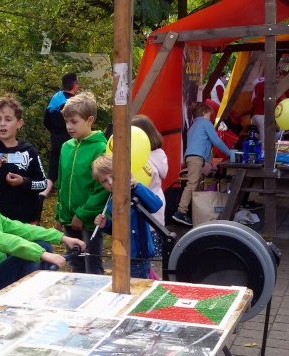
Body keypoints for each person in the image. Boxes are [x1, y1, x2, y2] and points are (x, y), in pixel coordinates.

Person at [0, 168, 86, 301]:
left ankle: (41, 294)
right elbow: (5, 241)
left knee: (42, 244)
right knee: (27, 256)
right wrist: (42, 254)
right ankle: (32, 298)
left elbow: (23, 229)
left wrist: (62, 237)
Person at [55, 92, 109, 274]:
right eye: (67, 122)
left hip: (89, 220)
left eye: (74, 121)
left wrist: (82, 214)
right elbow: (61, 181)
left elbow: (101, 188)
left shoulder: (100, 148)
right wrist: (59, 213)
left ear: (90, 120)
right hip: (69, 217)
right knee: (75, 263)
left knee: (92, 264)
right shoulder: (66, 147)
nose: (69, 127)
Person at [0, 95, 47, 224]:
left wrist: (24, 182)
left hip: (28, 221)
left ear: (19, 123)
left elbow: (42, 184)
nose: (2, 123)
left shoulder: (30, 151)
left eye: (8, 119)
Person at [92, 154, 163, 279]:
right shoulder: (111, 203)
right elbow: (119, 230)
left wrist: (137, 187)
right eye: (104, 181)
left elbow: (156, 204)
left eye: (112, 176)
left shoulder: (135, 194)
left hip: (139, 255)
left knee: (137, 286)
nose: (110, 183)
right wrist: (106, 225)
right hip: (121, 255)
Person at [173, 102, 232, 227]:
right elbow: (216, 140)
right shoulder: (206, 123)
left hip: (191, 157)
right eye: (210, 115)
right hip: (197, 158)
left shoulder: (193, 125)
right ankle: (181, 211)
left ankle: (196, 212)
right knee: (192, 183)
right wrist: (230, 153)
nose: (210, 117)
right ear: (204, 113)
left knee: (198, 185)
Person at [131, 115, 168, 258]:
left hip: (150, 203)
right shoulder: (160, 154)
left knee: (147, 248)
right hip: (153, 200)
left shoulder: (145, 156)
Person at [41, 72, 80, 198]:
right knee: (69, 169)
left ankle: (44, 192)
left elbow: (46, 121)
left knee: (53, 170)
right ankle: (66, 195)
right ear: (75, 85)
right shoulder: (74, 103)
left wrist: (54, 132)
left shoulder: (55, 97)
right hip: (70, 141)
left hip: (55, 139)